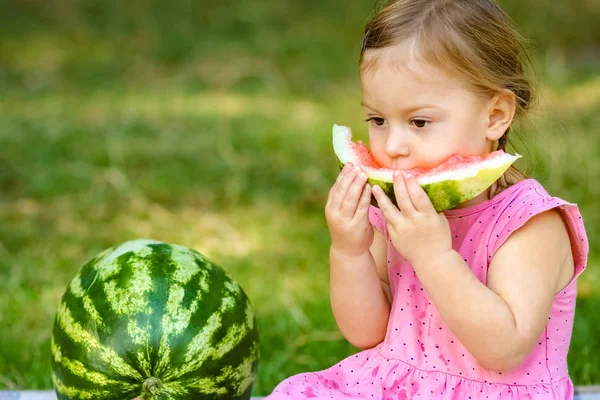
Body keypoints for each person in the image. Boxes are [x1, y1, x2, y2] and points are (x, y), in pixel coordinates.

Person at [264, 0, 588, 398]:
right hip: (396, 384)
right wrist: (349, 251)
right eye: (378, 120)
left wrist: (434, 258)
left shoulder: (529, 223)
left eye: (419, 122)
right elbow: (367, 333)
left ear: (495, 115)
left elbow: (505, 349)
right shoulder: (399, 211)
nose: (395, 145)